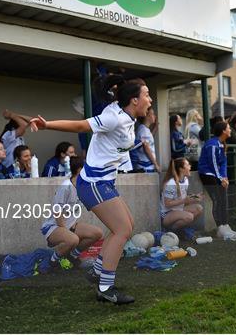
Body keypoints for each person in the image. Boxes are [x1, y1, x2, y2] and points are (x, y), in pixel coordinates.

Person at [30, 75, 151, 304]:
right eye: (146, 95)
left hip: (104, 182)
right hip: (93, 183)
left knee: (127, 226)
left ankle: (97, 271)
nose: (150, 99)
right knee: (122, 230)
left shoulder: (124, 114)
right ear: (134, 100)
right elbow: (81, 125)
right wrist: (47, 125)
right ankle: (105, 288)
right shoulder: (113, 117)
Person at [41, 156, 103, 269]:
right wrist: (65, 232)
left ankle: (72, 256)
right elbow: (57, 211)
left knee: (97, 233)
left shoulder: (84, 186)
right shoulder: (66, 187)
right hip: (53, 227)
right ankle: (52, 261)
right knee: (74, 239)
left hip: (71, 226)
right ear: (80, 170)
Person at [198, 121, 236, 240]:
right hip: (207, 174)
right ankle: (220, 228)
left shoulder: (221, 144)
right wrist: (221, 179)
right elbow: (213, 163)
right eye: (228, 128)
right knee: (217, 199)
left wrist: (224, 177)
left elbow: (223, 163)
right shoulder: (212, 144)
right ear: (223, 131)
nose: (230, 130)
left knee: (223, 199)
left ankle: (226, 226)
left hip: (216, 175)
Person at [160, 157, 203, 233]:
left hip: (178, 210)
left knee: (199, 208)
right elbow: (167, 204)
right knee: (189, 217)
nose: (190, 166)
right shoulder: (171, 183)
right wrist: (184, 200)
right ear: (181, 169)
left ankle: (180, 229)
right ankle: (172, 232)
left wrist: (195, 197)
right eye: (187, 165)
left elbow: (183, 197)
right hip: (167, 213)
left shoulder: (185, 180)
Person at [130, 107, 160, 172]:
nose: (154, 116)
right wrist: (156, 164)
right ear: (147, 116)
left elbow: (149, 139)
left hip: (147, 166)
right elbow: (146, 147)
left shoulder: (144, 129)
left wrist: (156, 127)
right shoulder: (143, 130)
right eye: (152, 114)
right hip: (145, 167)